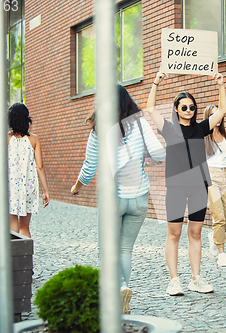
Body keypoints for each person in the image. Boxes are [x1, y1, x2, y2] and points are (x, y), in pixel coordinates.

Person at [70, 85, 165, 314]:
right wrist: (144, 156)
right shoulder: (140, 124)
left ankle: (120, 288)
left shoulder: (99, 129)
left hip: (114, 197)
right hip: (140, 197)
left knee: (108, 250)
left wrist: (77, 186)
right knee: (124, 249)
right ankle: (123, 295)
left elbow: (90, 166)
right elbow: (160, 155)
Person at [146, 71, 226, 296]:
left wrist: (221, 85)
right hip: (176, 188)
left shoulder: (201, 128)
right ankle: (174, 280)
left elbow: (221, 111)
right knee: (174, 234)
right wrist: (156, 82)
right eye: (184, 107)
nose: (189, 111)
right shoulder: (169, 129)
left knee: (196, 232)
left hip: (198, 187)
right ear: (176, 109)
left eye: (192, 107)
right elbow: (151, 109)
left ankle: (196, 278)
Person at [203, 105, 226, 267]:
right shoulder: (202, 136)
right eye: (212, 115)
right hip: (210, 175)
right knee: (218, 216)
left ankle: (214, 236)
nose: (216, 118)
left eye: (217, 114)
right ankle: (221, 253)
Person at [8, 103, 50, 238]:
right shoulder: (34, 139)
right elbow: (40, 167)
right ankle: (25, 258)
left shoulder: (6, 138)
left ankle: (13, 257)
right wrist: (46, 190)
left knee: (12, 224)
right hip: (28, 186)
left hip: (11, 187)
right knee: (24, 227)